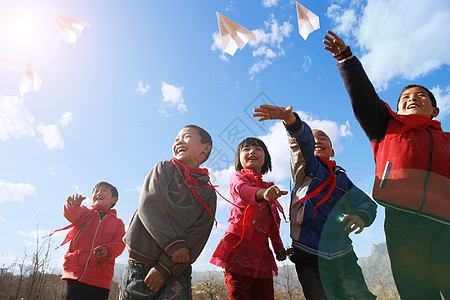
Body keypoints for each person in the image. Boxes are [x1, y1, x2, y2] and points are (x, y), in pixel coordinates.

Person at [323, 30, 450, 298]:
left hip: (445, 224)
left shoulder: (447, 140)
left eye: (420, 96)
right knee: (416, 291)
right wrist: (346, 59)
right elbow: (363, 96)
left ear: (435, 111)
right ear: (398, 109)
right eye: (405, 97)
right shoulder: (385, 127)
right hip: (400, 221)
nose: (412, 99)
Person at [253, 105, 377, 300]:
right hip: (308, 254)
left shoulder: (343, 180)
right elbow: (301, 144)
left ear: (332, 151)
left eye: (323, 139)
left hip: (343, 254)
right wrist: (291, 121)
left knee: (360, 296)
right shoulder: (305, 169)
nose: (317, 141)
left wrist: (361, 216)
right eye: (314, 139)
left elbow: (367, 204)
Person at [120, 125, 217, 300]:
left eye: (186, 136)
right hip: (140, 266)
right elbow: (150, 205)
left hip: (176, 272)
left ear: (206, 147)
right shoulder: (163, 168)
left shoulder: (208, 191)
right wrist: (174, 244)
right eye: (176, 139)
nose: (178, 140)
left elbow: (198, 236)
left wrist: (165, 268)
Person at [210, 137, 287, 300]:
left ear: (266, 158)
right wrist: (262, 194)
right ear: (239, 158)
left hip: (263, 258)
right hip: (238, 252)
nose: (252, 151)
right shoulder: (238, 178)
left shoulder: (270, 187)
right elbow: (244, 191)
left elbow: (273, 223)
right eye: (246, 149)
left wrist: (278, 246)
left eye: (258, 149)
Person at [57, 181, 126, 300]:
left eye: (104, 190)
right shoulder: (84, 213)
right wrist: (72, 204)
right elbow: (71, 214)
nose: (98, 192)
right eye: (96, 191)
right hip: (76, 275)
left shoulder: (118, 223)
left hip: (101, 280)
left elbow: (120, 244)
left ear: (114, 200)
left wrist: (107, 250)